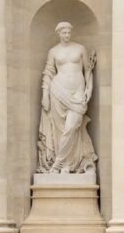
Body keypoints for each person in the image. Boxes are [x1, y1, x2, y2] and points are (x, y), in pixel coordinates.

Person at [36, 21, 97, 174]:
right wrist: (45, 95)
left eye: (69, 32)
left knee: (71, 127)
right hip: (57, 91)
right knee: (60, 131)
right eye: (64, 33)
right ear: (59, 33)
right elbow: (48, 73)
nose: (67, 35)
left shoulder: (80, 49)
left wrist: (89, 88)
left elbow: (88, 70)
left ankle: (57, 163)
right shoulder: (53, 51)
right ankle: (66, 165)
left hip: (77, 92)